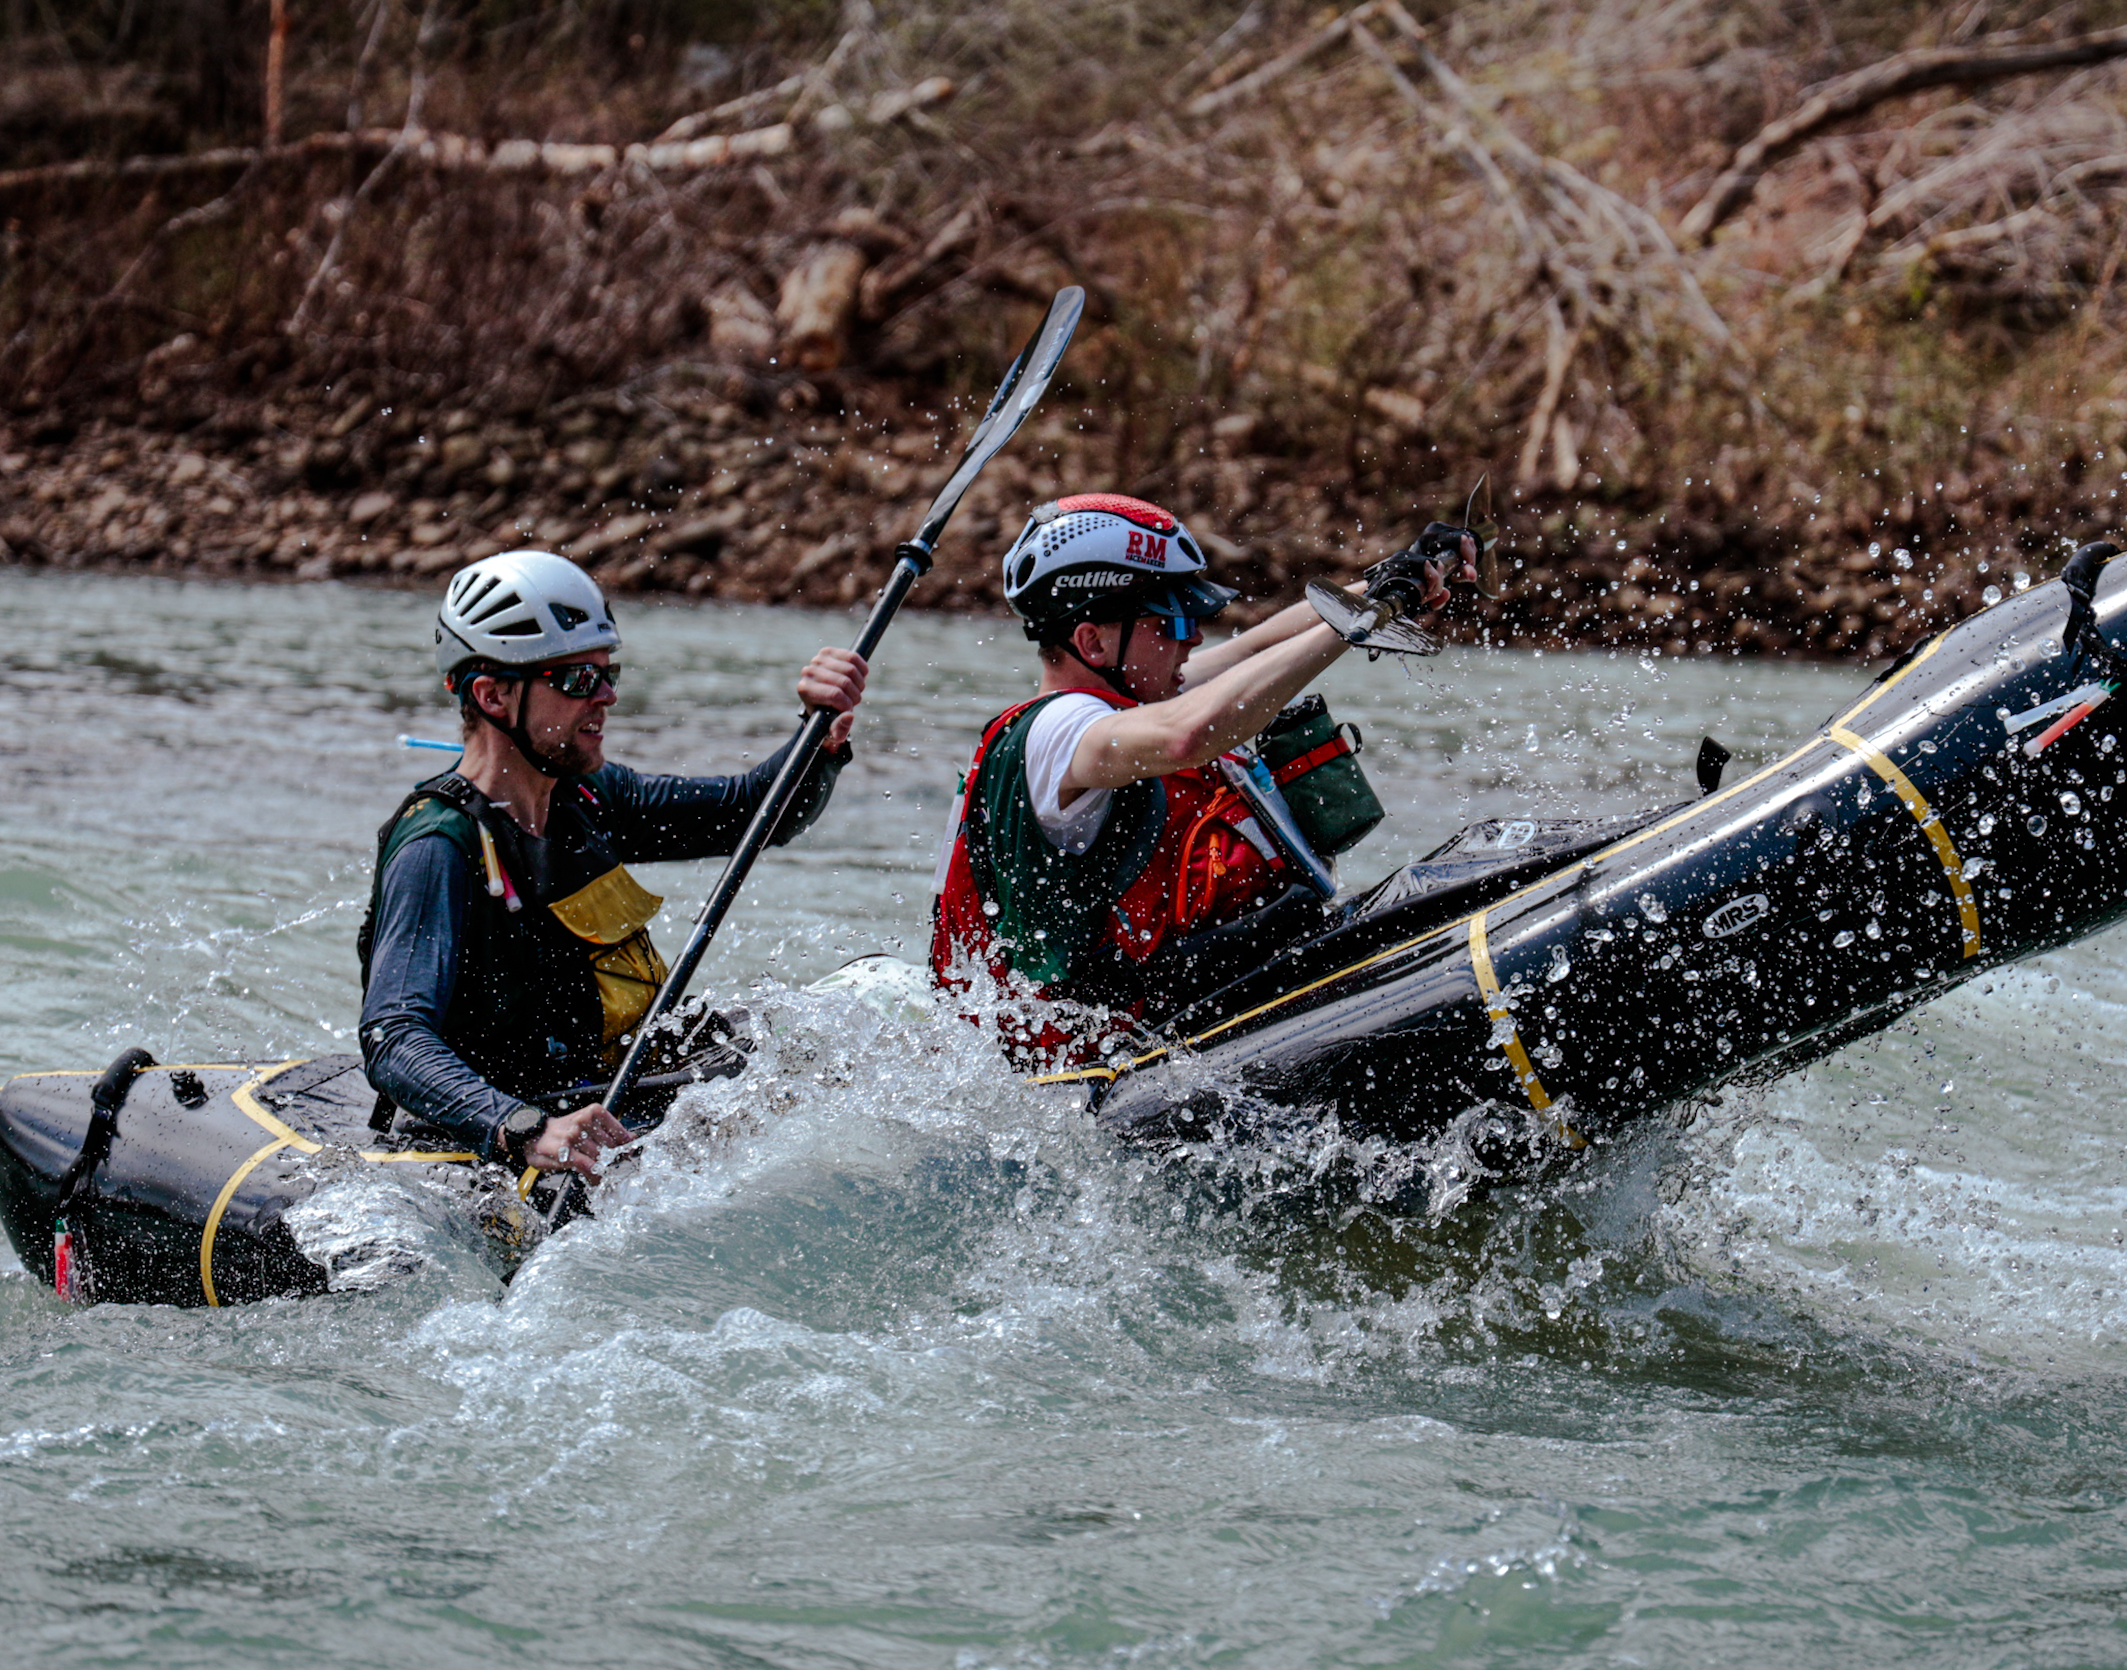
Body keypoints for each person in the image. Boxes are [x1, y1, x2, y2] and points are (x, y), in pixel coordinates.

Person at [358, 550, 868, 1182]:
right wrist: (519, 1129)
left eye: (608, 673)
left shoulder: (590, 798)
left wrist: (817, 738)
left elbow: (753, 814)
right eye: (576, 680)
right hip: (515, 1137)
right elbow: (394, 1036)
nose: (608, 697)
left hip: (607, 1095)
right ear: (492, 696)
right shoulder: (439, 847)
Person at [930, 494, 1475, 1049]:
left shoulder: (1131, 694)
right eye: (1174, 618)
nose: (1193, 636)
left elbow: (1260, 646)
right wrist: (1359, 623)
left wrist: (1390, 583)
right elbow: (1187, 734)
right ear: (1093, 640)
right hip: (1090, 1070)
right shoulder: (1057, 732)